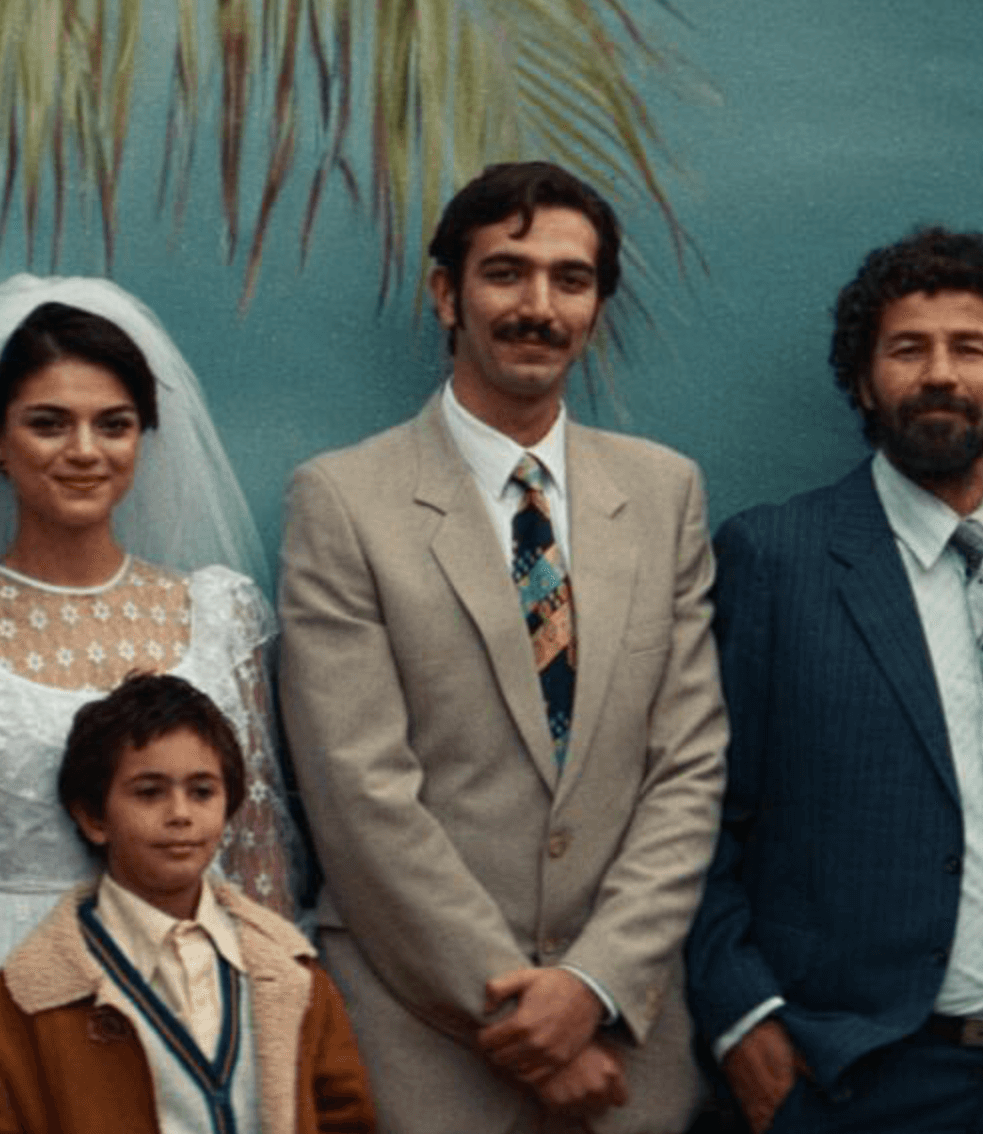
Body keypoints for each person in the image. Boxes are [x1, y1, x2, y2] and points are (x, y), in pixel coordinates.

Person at [278, 161, 725, 1132]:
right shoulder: (343, 501)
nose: (539, 305)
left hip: (625, 1052)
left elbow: (688, 770)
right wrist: (526, 1018)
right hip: (424, 1054)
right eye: (506, 273)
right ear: (447, 292)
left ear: (598, 304)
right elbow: (361, 797)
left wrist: (594, 987)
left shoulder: (665, 495)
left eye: (571, 279)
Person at [686, 225, 983, 1132]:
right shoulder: (778, 558)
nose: (940, 373)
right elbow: (695, 810)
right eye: (907, 349)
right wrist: (742, 1016)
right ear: (862, 381)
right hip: (849, 1075)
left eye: (971, 348)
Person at [0, 275, 298, 1133]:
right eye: (48, 422)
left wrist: (280, 1049)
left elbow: (259, 862)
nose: (84, 450)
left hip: (199, 1001)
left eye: (113, 424)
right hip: (11, 997)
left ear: (144, 437)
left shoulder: (218, 617)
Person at [0, 672, 375, 1133]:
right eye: (149, 793)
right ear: (93, 817)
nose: (181, 814)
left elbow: (346, 1116)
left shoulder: (289, 973)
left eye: (202, 792)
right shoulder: (29, 996)